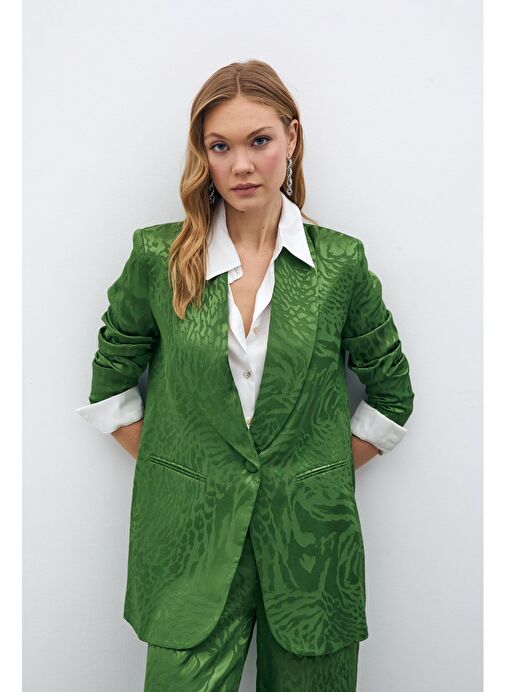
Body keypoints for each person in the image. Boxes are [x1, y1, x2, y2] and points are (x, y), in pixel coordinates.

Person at [76, 59, 414, 692]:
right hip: (190, 538)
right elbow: (110, 385)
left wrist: (315, 472)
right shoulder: (159, 257)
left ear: (292, 137)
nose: (241, 165)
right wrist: (189, 470)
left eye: (259, 140)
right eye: (220, 146)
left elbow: (392, 394)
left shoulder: (340, 264)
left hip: (312, 544)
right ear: (202, 155)